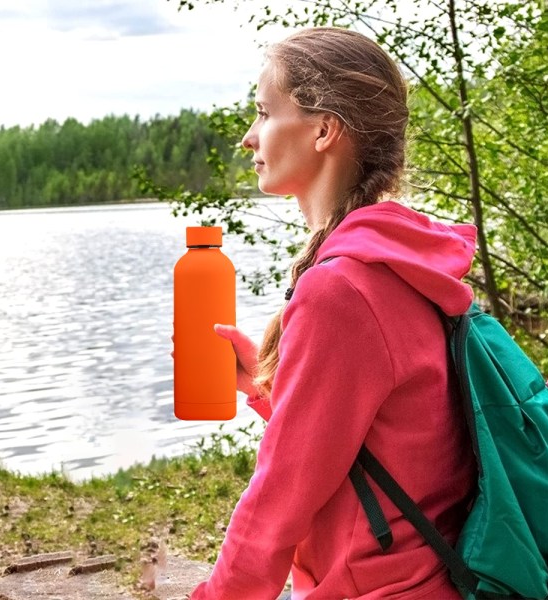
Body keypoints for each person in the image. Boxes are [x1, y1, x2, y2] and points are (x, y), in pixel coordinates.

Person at [188, 26, 477, 599]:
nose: (249, 137)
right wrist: (269, 389)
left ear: (324, 129)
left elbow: (280, 497)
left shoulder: (342, 289)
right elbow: (387, 442)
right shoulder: (401, 262)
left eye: (265, 113)